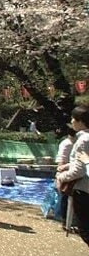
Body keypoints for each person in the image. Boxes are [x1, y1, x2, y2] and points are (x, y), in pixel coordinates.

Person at [56, 105, 89, 246]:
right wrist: (68, 165)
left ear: (80, 121)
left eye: (73, 118)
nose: (71, 121)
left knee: (86, 230)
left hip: (84, 190)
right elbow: (85, 161)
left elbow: (79, 170)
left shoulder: (83, 140)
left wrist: (61, 177)